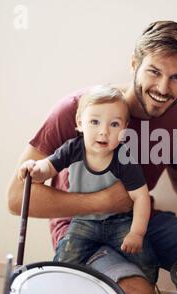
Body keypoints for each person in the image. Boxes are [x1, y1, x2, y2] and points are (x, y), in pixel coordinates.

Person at [7, 20, 177, 294]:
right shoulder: (81, 109)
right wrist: (104, 201)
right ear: (134, 64)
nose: (163, 88)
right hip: (82, 228)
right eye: (154, 72)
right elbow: (16, 198)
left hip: (143, 220)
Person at [17, 85, 158, 283]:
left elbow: (140, 196)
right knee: (65, 257)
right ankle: (59, 288)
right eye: (94, 122)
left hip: (120, 222)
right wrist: (35, 168)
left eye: (114, 124)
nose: (104, 132)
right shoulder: (72, 149)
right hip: (84, 221)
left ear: (124, 129)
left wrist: (136, 233)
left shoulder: (124, 157)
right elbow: (47, 168)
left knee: (146, 258)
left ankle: (150, 292)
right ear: (80, 123)